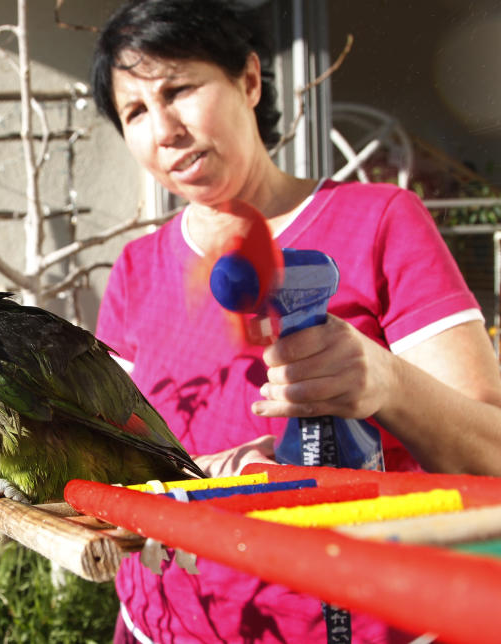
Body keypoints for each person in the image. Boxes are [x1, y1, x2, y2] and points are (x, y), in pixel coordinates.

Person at [90, 0, 501, 642]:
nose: (163, 129)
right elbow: (109, 452)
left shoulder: (380, 222)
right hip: (159, 625)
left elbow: (491, 458)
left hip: (358, 625)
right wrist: (206, 478)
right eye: (135, 111)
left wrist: (387, 383)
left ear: (249, 80)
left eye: (180, 89)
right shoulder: (137, 269)